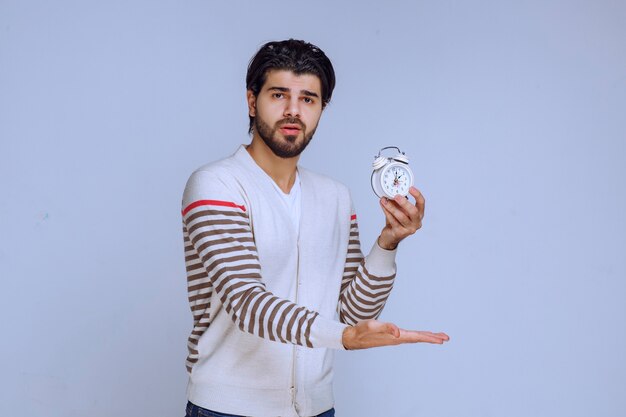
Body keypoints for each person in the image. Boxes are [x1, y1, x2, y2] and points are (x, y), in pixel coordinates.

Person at [181, 39, 449, 417]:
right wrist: (344, 338)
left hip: (316, 407)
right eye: (279, 95)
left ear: (322, 108)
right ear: (251, 100)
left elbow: (353, 314)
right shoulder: (216, 185)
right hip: (228, 409)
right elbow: (245, 301)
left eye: (308, 99)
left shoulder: (335, 197)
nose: (293, 111)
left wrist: (387, 244)